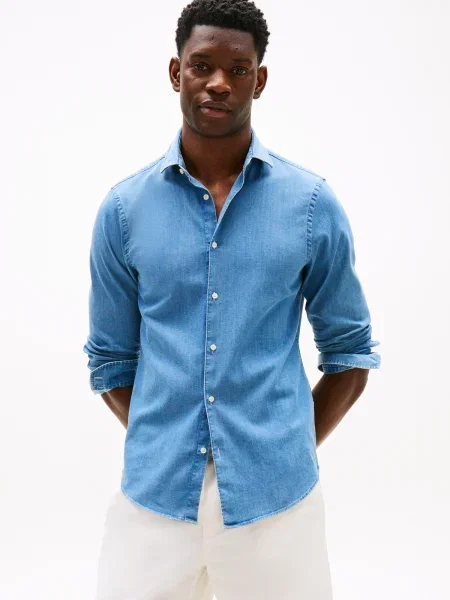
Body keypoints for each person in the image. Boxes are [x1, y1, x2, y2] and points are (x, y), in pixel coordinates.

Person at [83, 0, 381, 598]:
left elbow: (350, 354)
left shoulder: (311, 206)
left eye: (238, 69)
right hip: (152, 506)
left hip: (279, 508)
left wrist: (281, 446)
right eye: (202, 65)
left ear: (259, 80)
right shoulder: (123, 211)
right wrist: (167, 442)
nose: (219, 82)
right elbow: (110, 360)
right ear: (176, 72)